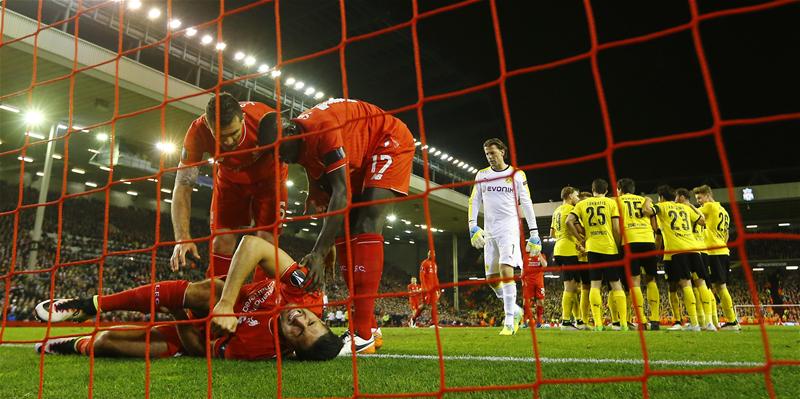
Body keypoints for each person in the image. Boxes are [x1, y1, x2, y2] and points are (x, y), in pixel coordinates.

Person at [260, 98, 415, 353]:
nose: (278, 158)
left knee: (367, 220)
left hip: (386, 139)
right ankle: (370, 327)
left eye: (278, 150)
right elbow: (330, 201)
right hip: (359, 153)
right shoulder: (300, 148)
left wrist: (319, 253)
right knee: (344, 229)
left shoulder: (322, 129)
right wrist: (327, 242)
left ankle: (362, 335)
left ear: (289, 130)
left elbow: (341, 194)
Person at [34, 235, 342, 360]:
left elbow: (199, 349)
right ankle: (89, 305)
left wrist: (178, 315)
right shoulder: (306, 294)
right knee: (216, 290)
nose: (299, 319)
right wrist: (224, 305)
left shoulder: (258, 349)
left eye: (298, 332)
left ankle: (65, 344)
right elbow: (252, 244)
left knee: (105, 344)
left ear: (290, 347)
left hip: (190, 334)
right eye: (311, 320)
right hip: (215, 299)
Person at [170, 93, 288, 279]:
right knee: (221, 241)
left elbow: (300, 150)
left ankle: (262, 302)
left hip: (269, 181)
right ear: (209, 127)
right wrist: (182, 237)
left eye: (234, 134)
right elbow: (183, 185)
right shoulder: (197, 132)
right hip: (230, 182)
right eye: (221, 137)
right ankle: (215, 298)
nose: (229, 142)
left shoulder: (264, 119)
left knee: (266, 241)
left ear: (242, 119)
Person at [468, 138, 540, 336]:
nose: (490, 157)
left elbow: (526, 202)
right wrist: (473, 226)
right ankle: (516, 310)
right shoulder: (482, 175)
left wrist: (534, 233)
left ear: (503, 152)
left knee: (505, 269)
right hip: (489, 230)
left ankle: (509, 321)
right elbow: (474, 200)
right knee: (491, 279)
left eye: (493, 152)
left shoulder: (516, 174)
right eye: (487, 154)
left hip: (509, 228)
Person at [566, 178, 626, 331]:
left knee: (595, 285)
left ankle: (598, 324)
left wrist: (581, 238)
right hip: (609, 247)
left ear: (592, 190)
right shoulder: (611, 203)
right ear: (606, 190)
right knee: (615, 284)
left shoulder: (582, 204)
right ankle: (623, 324)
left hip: (592, 248)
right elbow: (616, 229)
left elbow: (568, 222)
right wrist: (618, 246)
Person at [652, 185, 710, 332]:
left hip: (675, 251)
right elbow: (702, 221)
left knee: (683, 285)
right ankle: (708, 322)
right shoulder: (686, 208)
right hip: (694, 249)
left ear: (661, 198)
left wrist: (654, 253)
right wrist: (690, 206)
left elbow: (657, 234)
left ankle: (693, 323)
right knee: (701, 283)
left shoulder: (662, 208)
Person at [616, 178, 660, 330]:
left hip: (629, 241)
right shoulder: (644, 200)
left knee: (634, 281)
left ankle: (641, 320)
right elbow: (655, 225)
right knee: (651, 279)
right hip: (648, 240)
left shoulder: (617, 201)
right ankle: (655, 320)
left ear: (620, 188)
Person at [693, 185, 740, 330]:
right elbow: (726, 234)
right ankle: (725, 321)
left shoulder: (709, 207)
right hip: (723, 250)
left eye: (699, 198)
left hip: (713, 252)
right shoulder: (724, 211)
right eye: (697, 199)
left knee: (716, 287)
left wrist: (687, 205)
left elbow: (691, 213)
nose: (699, 201)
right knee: (717, 287)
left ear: (707, 195)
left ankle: (731, 321)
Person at [550, 186, 584, 330]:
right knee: (570, 287)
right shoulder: (571, 210)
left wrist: (563, 236)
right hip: (568, 250)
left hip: (558, 248)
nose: (577, 198)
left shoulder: (557, 210)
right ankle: (565, 321)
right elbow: (579, 229)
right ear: (570, 195)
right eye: (576, 195)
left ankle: (578, 320)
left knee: (574, 287)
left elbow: (552, 233)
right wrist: (580, 239)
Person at [411, 250, 440, 326]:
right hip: (426, 288)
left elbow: (435, 277)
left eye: (433, 254)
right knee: (424, 305)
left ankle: (433, 324)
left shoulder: (435, 265)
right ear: (428, 254)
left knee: (434, 304)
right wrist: (424, 287)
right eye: (430, 254)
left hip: (433, 288)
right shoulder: (424, 263)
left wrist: (438, 288)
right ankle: (413, 318)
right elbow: (422, 276)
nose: (431, 255)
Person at [522, 250, 547, 327]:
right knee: (526, 301)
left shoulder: (542, 255)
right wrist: (522, 279)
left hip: (539, 282)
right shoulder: (526, 256)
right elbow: (523, 268)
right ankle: (524, 321)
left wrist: (539, 254)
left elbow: (545, 265)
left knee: (541, 302)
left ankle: (539, 321)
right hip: (528, 281)